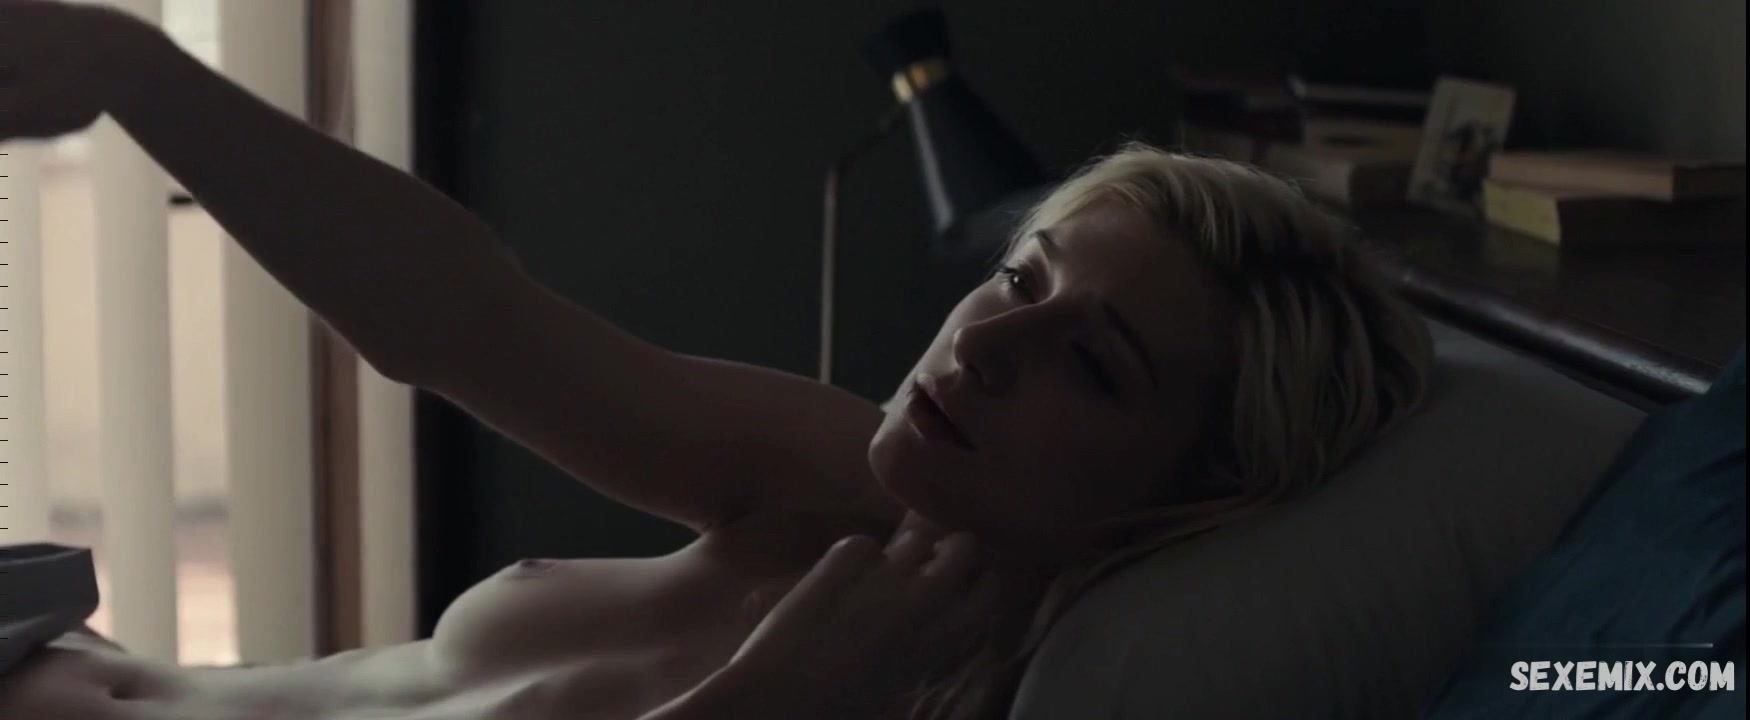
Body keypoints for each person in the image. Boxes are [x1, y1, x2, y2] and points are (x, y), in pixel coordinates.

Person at [0, 2, 1433, 718]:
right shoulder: (858, 489)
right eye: (1019, 276)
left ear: (1194, 492)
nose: (987, 339)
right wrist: (134, 69)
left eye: (1092, 365)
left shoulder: (983, 692)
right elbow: (464, 327)